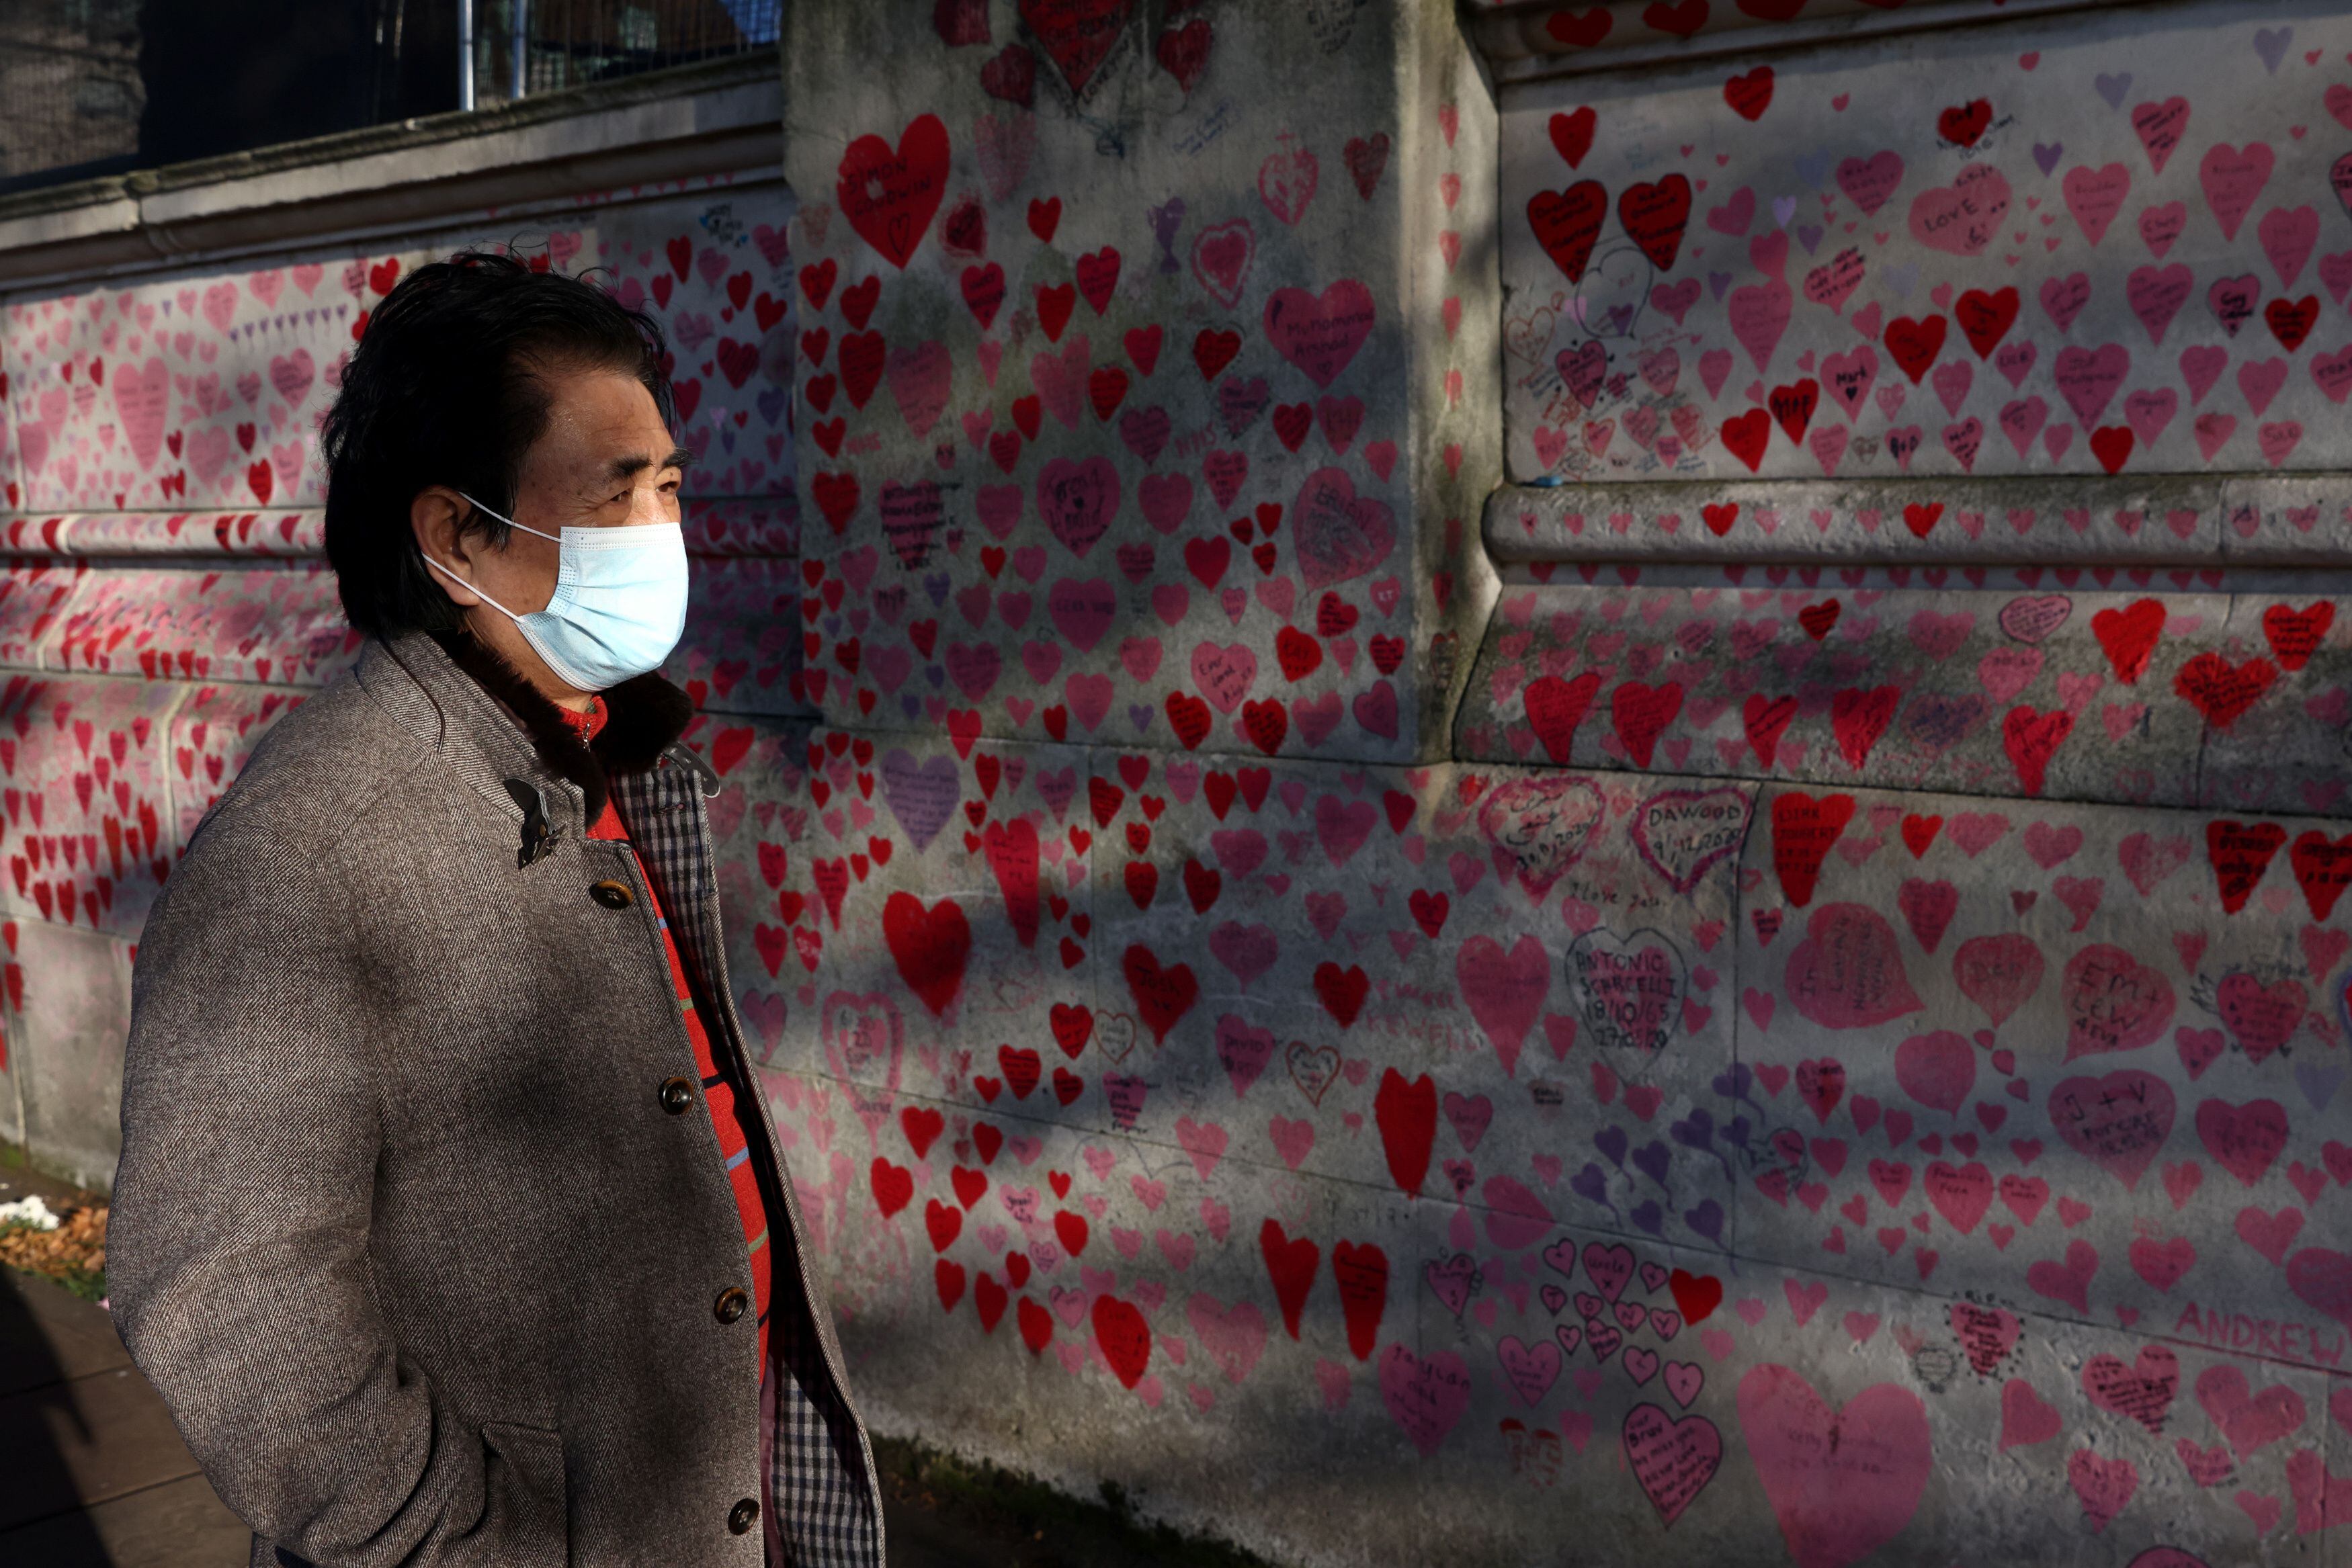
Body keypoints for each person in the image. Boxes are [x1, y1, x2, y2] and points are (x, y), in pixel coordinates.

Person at [106, 250, 883, 1568]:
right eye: (614, 492)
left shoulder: (607, 762)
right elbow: (228, 1304)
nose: (662, 530)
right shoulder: (310, 844)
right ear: (459, 536)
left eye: (671, 486)